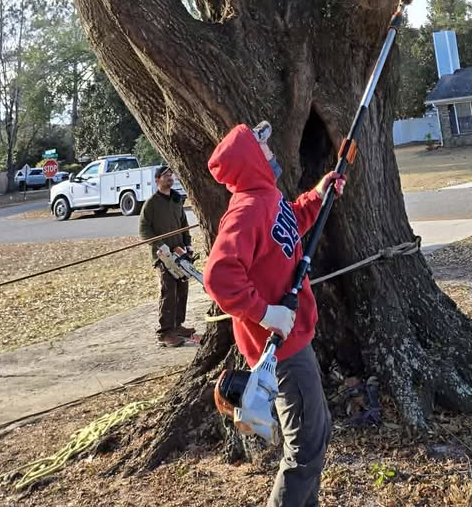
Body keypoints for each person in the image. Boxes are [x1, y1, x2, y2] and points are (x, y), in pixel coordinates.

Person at [204, 121, 344, 507]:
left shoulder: (268, 197)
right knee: (305, 449)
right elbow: (218, 275)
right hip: (280, 350)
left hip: (296, 340)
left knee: (317, 434)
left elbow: (291, 225)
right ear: (251, 159)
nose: (271, 152)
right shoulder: (246, 210)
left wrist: (318, 194)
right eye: (262, 147)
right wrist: (265, 313)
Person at [138, 164, 197, 347]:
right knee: (168, 292)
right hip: (163, 257)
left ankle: (177, 326)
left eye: (171, 175)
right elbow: (143, 229)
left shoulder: (176, 200)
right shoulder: (152, 203)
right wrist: (159, 245)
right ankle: (165, 333)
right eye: (165, 176)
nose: (169, 178)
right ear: (157, 180)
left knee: (182, 290)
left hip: (180, 255)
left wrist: (187, 245)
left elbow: (184, 224)